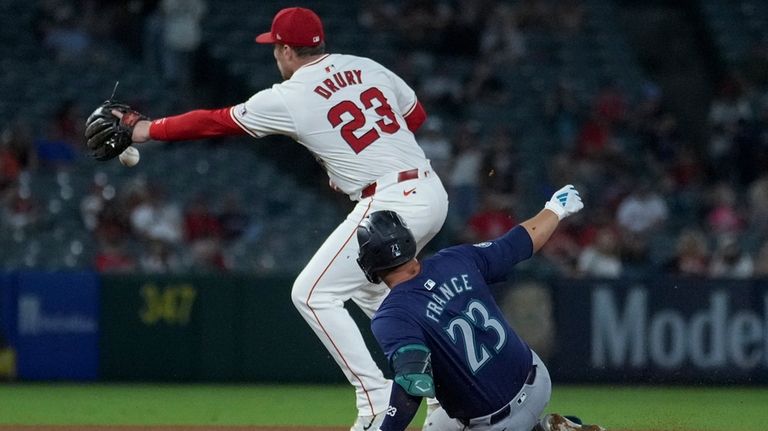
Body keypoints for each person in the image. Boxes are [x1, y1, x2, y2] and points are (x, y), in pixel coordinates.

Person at [112, 7, 448, 430]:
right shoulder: (366, 66)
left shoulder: (289, 94)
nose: (274, 55)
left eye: (275, 47)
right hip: (430, 189)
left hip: (391, 201)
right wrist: (356, 159)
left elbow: (215, 122)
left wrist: (143, 129)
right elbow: (414, 118)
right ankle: (445, 394)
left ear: (287, 50)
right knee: (371, 292)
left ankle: (377, 400)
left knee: (311, 293)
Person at [357, 186, 605, 431]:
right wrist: (555, 208)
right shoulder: (456, 259)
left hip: (494, 421)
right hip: (537, 379)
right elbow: (517, 244)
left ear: (370, 262)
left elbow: (413, 382)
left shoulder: (391, 316)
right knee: (436, 424)